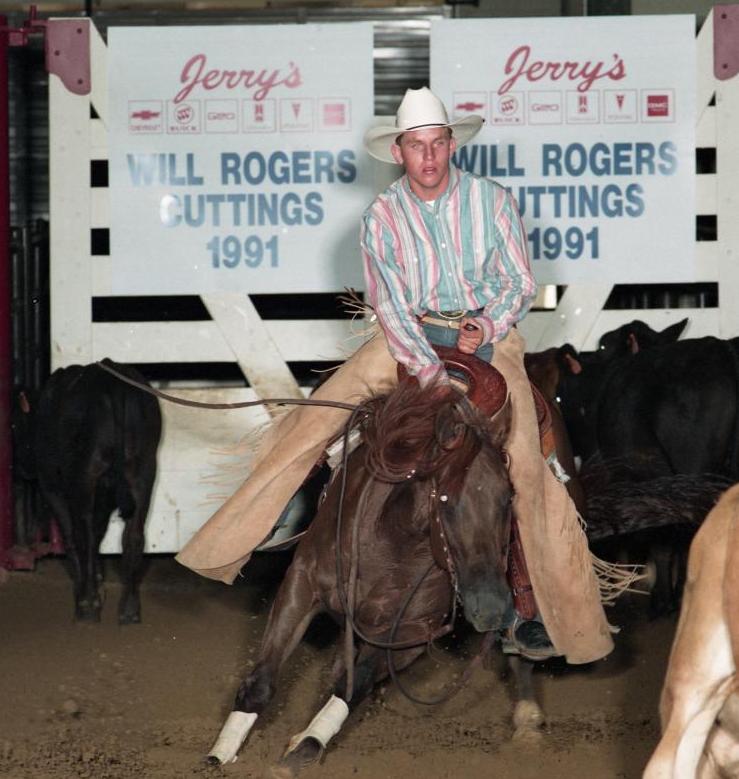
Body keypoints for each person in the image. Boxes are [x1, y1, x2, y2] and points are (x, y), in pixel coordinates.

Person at [176, 87, 614, 665]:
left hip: (490, 336)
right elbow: (388, 304)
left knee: (527, 465)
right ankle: (240, 538)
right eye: (416, 147)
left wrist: (485, 325)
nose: (428, 158)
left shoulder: (494, 201)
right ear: (399, 153)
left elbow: (518, 283)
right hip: (409, 334)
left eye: (437, 144)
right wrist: (428, 368)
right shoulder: (382, 217)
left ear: (451, 145)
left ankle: (539, 612)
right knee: (309, 422)